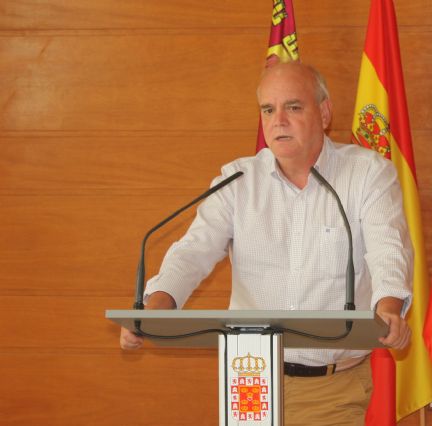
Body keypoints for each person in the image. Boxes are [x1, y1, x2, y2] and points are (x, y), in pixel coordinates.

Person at [120, 61, 413, 425]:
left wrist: (389, 309)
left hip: (330, 388)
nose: (279, 121)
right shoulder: (237, 180)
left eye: (293, 107)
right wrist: (153, 311)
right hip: (250, 376)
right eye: (268, 110)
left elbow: (388, 251)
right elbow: (193, 252)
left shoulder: (367, 174)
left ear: (324, 113)